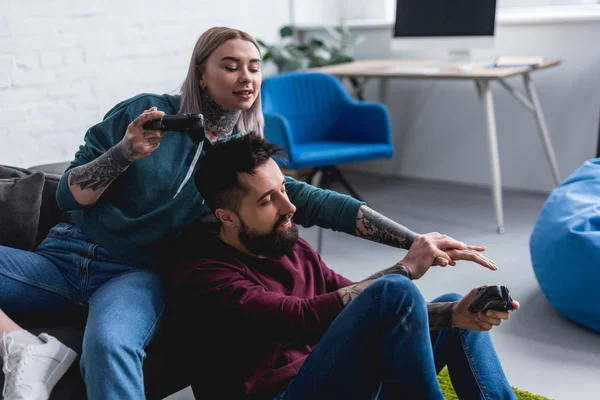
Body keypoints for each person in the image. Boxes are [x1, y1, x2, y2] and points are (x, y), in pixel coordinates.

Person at [0, 27, 497, 400]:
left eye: (255, 66)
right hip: (65, 256)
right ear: (201, 72)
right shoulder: (145, 114)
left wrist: (417, 242)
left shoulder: (239, 162)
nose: (247, 77)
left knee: (109, 345)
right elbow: (68, 196)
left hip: (134, 273)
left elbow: (320, 205)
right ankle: (24, 345)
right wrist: (127, 151)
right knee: (394, 295)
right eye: (231, 65)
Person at [172, 134, 521, 400]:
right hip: (282, 394)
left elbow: (360, 310)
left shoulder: (283, 241)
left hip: (334, 380)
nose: (289, 206)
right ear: (227, 217)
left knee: (454, 308)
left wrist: (450, 314)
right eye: (267, 200)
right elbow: (302, 319)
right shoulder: (206, 275)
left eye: (282, 189)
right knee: (393, 290)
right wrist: (406, 268)